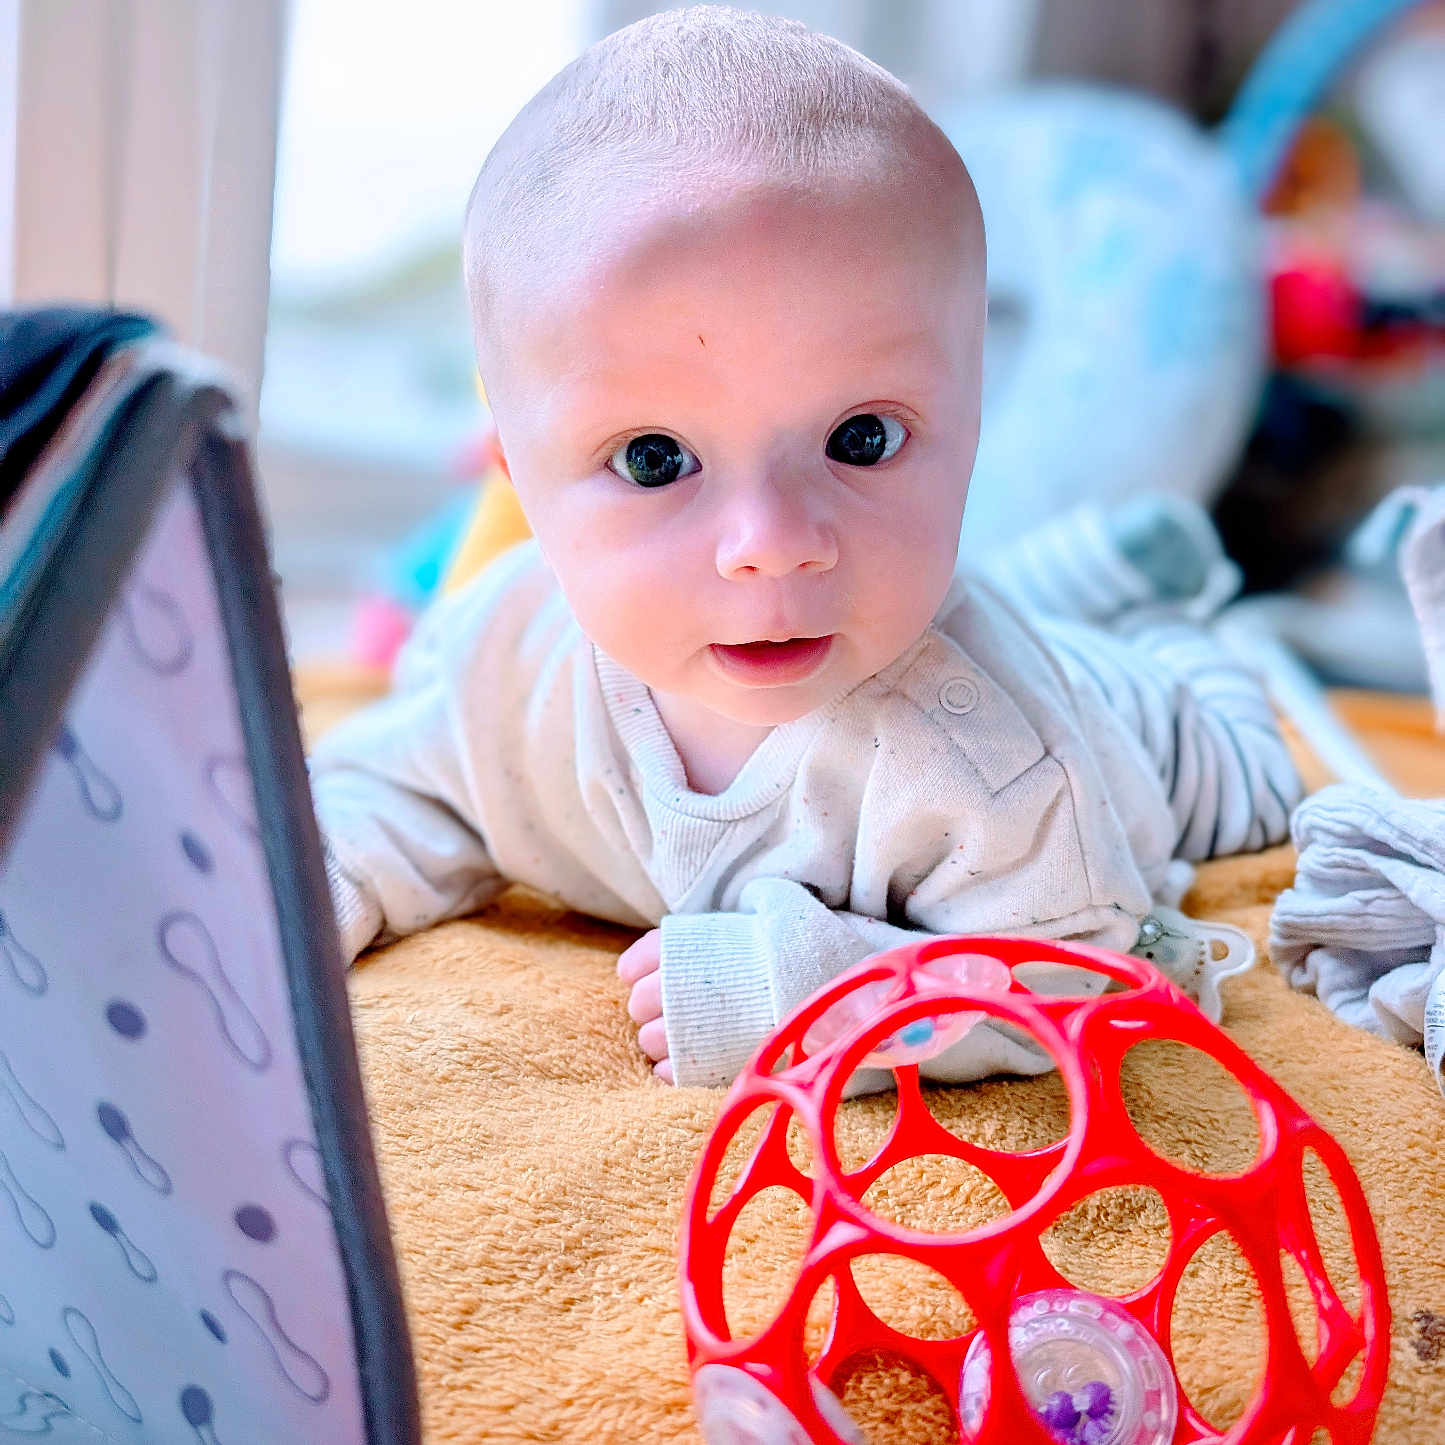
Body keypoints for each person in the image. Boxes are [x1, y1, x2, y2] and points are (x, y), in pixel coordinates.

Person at [308, 6, 1301, 1089]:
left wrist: (816, 998)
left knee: (1251, 775)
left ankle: (1162, 617)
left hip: (1143, 731)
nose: (771, 547)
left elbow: (1078, 979)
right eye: (652, 458)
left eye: (860, 439)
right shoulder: (505, 665)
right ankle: (1087, 577)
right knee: (1032, 612)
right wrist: (305, 891)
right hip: (1016, 639)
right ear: (517, 472)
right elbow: (395, 794)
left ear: (973, 421)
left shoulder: (994, 764)